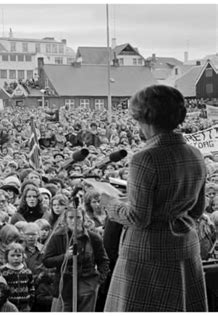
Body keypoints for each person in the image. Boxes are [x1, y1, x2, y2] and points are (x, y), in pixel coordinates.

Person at [97, 85, 208, 312]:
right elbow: (197, 209)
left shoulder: (144, 158)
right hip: (185, 248)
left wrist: (110, 203)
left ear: (143, 117)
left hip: (147, 257)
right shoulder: (195, 154)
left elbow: (138, 218)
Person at [43, 206, 109, 312]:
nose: (74, 221)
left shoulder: (93, 238)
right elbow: (46, 261)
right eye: (70, 217)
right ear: (65, 219)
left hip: (87, 286)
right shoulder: (58, 236)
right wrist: (65, 257)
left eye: (78, 217)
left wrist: (98, 280)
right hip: (64, 286)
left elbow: (103, 261)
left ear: (83, 218)